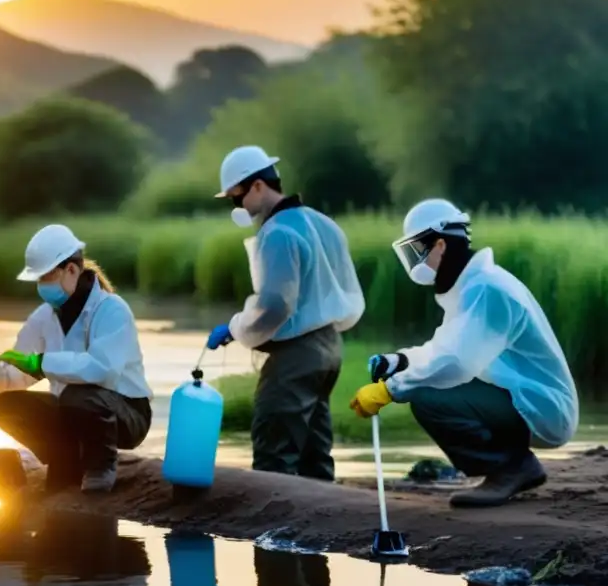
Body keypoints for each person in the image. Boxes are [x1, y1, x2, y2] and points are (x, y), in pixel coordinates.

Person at [350, 198, 579, 508]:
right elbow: (444, 348)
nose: (418, 260)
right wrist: (400, 360)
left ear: (441, 245)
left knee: (426, 395)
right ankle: (512, 463)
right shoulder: (470, 287)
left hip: (542, 407)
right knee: (428, 385)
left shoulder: (487, 289)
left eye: (419, 250)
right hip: (521, 396)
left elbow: (456, 364)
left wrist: (390, 390)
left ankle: (510, 468)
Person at [206, 145, 365, 480]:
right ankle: (321, 529)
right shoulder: (323, 223)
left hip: (297, 355)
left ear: (259, 186)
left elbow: (276, 304)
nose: (239, 207)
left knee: (273, 452)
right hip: (330, 348)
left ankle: (273, 533)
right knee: (314, 452)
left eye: (237, 198)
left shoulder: (277, 233)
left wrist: (236, 327)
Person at [0, 223, 153, 494]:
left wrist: (42, 363)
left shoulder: (112, 310)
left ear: (71, 270)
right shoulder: (44, 317)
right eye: (38, 280)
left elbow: (102, 370)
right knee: (7, 405)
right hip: (74, 408)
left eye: (45, 278)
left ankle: (101, 466)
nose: (41, 287)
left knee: (79, 395)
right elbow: (17, 377)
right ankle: (65, 458)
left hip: (126, 413)